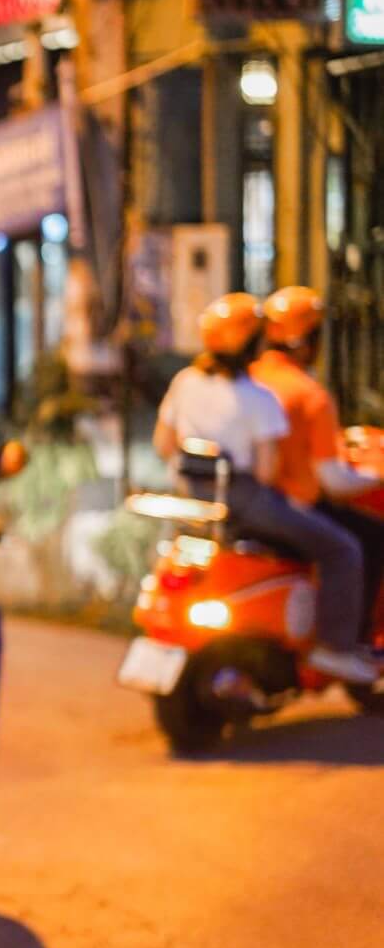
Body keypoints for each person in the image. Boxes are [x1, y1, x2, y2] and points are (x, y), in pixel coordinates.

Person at [153, 293, 376, 684]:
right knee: (343, 548)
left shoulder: (185, 383)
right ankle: (335, 648)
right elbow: (269, 469)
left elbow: (164, 444)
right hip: (248, 500)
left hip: (196, 497)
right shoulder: (263, 398)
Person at [251, 286, 384, 638]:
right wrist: (377, 476)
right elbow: (333, 480)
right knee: (363, 541)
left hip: (255, 502)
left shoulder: (249, 380)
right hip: (291, 506)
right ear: (308, 340)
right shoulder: (309, 395)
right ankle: (346, 640)